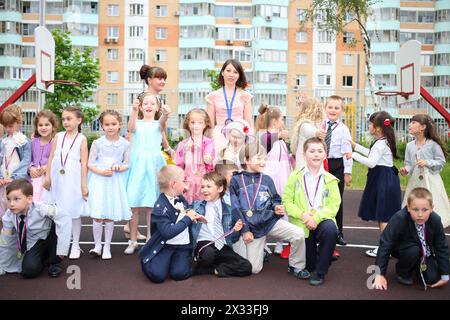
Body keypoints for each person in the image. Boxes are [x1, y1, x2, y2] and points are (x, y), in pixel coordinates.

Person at [230, 141, 309, 278]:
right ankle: (257, 250)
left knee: (298, 234)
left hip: (269, 221)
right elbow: (235, 208)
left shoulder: (267, 179)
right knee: (253, 269)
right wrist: (245, 230)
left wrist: (276, 207)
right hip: (251, 227)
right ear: (246, 159)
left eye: (264, 159)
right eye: (259, 158)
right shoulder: (236, 180)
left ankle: (296, 266)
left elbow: (275, 199)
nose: (263, 162)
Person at [283, 137, 341, 286]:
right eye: (312, 151)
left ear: (325, 155)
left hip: (320, 221)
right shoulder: (295, 176)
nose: (316, 154)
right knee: (309, 266)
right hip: (302, 223)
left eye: (320, 151)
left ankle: (321, 273)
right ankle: (317, 259)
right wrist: (302, 215)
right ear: (304, 155)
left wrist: (316, 218)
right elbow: (287, 202)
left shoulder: (331, 179)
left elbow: (334, 205)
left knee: (331, 230)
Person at [139, 165, 206, 283]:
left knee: (179, 274)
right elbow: (167, 232)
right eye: (183, 180)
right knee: (157, 276)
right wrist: (187, 219)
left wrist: (194, 215)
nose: (186, 183)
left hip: (183, 247)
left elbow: (187, 209)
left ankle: (187, 264)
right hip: (166, 246)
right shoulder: (160, 207)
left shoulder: (179, 198)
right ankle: (148, 260)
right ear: (174, 184)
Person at [373, 188, 449, 290]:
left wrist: (445, 275)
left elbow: (441, 246)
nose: (420, 214)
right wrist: (379, 274)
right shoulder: (399, 218)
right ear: (408, 207)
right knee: (413, 250)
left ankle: (416, 266)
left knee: (433, 278)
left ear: (431, 208)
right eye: (415, 209)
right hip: (403, 249)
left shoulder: (435, 220)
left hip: (424, 252)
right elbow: (385, 243)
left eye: (424, 210)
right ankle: (402, 271)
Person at [349, 111, 401, 258]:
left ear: (377, 127)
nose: (369, 126)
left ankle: (385, 249)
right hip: (384, 178)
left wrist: (353, 155)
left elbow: (371, 162)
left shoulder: (380, 143)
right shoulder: (383, 141)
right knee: (383, 215)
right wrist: (356, 146)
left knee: (383, 216)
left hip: (382, 179)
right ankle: (387, 246)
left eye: (371, 123)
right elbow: (372, 154)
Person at [125, 92, 170, 254]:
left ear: (157, 107)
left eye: (152, 103)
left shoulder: (158, 124)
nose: (149, 106)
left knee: (152, 205)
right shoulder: (136, 123)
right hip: (138, 166)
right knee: (134, 205)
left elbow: (163, 124)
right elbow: (130, 128)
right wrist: (134, 110)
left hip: (154, 166)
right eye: (146, 103)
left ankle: (151, 239)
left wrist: (166, 114)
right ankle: (133, 240)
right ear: (141, 107)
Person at [0, 179, 71, 278]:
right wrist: (3, 264)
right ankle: (43, 258)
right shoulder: (9, 215)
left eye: (16, 199)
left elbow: (65, 217)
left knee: (56, 222)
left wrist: (62, 249)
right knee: (28, 271)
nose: (11, 204)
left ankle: (54, 262)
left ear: (29, 199)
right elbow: (5, 240)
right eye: (9, 199)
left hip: (49, 238)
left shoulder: (41, 208)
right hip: (34, 243)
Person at [43, 106, 89, 260]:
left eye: (69, 119)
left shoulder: (82, 139)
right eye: (63, 119)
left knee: (73, 212)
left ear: (79, 120)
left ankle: (75, 244)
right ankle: (62, 243)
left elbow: (84, 163)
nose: (65, 122)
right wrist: (47, 177)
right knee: (58, 212)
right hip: (57, 179)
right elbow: (51, 158)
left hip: (73, 180)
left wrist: (83, 185)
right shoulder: (58, 136)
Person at [87, 110, 132, 260]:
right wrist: (100, 172)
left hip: (114, 182)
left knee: (110, 215)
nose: (110, 127)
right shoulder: (97, 143)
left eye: (113, 124)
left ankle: (107, 246)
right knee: (98, 215)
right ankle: (97, 245)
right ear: (102, 126)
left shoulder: (125, 144)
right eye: (107, 124)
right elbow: (90, 164)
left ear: (120, 125)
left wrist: (119, 168)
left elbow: (127, 164)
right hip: (100, 181)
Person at [191, 172, 252, 277]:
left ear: (219, 189)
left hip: (221, 244)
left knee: (246, 266)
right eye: (203, 187)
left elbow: (232, 239)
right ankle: (212, 264)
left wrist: (236, 230)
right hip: (204, 243)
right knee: (208, 255)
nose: (204, 190)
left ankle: (210, 270)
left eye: (208, 187)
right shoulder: (196, 206)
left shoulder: (229, 209)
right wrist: (190, 215)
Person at [400, 114, 450, 228]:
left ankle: (433, 232)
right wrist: (406, 170)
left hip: (431, 181)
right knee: (414, 204)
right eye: (410, 122)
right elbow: (409, 164)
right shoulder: (409, 146)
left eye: (413, 123)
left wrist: (427, 162)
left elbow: (441, 161)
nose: (410, 125)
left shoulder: (433, 145)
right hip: (415, 182)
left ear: (423, 127)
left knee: (432, 205)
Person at [318, 95, 353, 255]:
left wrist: (347, 172)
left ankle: (338, 232)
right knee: (318, 198)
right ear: (326, 108)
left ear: (341, 111)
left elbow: (347, 152)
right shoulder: (320, 126)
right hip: (320, 164)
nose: (333, 110)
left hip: (337, 165)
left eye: (336, 108)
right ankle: (319, 229)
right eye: (330, 107)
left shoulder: (343, 129)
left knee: (336, 200)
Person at [256, 104, 292, 257]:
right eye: (281, 119)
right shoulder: (264, 135)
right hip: (269, 178)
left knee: (282, 208)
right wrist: (279, 135)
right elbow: (266, 143)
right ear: (276, 121)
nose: (282, 122)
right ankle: (262, 243)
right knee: (265, 209)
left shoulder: (281, 139)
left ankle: (280, 242)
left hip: (282, 177)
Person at [206, 59, 253, 156]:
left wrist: (251, 141)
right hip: (219, 136)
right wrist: (208, 143)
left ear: (239, 75)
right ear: (222, 72)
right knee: (220, 166)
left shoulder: (245, 96)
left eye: (235, 72)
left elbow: (249, 122)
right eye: (228, 71)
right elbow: (210, 123)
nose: (231, 74)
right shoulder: (213, 96)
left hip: (239, 135)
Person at [0, 104, 32, 223]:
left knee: (17, 209)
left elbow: (25, 162)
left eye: (10, 126)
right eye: (5, 126)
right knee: (3, 211)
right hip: (3, 179)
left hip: (16, 180)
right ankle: (4, 240)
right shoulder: (3, 141)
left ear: (19, 122)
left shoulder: (25, 142)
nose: (8, 129)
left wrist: (14, 178)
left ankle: (18, 239)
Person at [175, 108, 215, 203]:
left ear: (205, 124)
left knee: (203, 208)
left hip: (204, 183)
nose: (196, 126)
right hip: (188, 183)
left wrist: (206, 156)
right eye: (193, 122)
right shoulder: (183, 144)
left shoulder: (209, 143)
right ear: (188, 124)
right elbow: (178, 165)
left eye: (200, 122)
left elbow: (209, 162)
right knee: (188, 209)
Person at [29, 110, 58, 202]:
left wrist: (45, 168)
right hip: (33, 178)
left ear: (53, 126)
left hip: (47, 178)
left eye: (47, 125)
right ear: (36, 127)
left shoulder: (55, 143)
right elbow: (28, 159)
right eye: (40, 125)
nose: (43, 127)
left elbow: (56, 161)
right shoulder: (33, 142)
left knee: (45, 203)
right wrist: (31, 168)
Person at [290, 97, 324, 171]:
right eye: (318, 110)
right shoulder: (305, 124)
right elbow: (309, 130)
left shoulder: (314, 124)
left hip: (311, 162)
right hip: (304, 164)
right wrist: (317, 133)